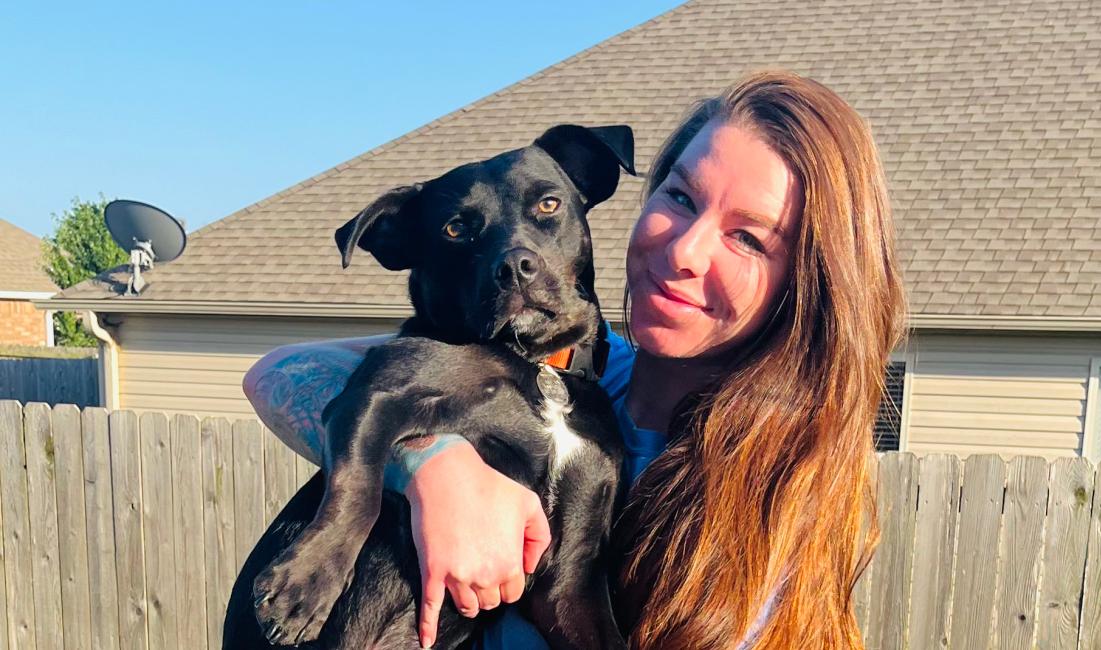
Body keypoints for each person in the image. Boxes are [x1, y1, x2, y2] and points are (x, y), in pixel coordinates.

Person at [243, 69, 907, 649]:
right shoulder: (572, 380)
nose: (685, 251)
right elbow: (279, 372)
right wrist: (432, 466)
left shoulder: (767, 493)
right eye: (679, 197)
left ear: (806, 283)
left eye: (750, 238)